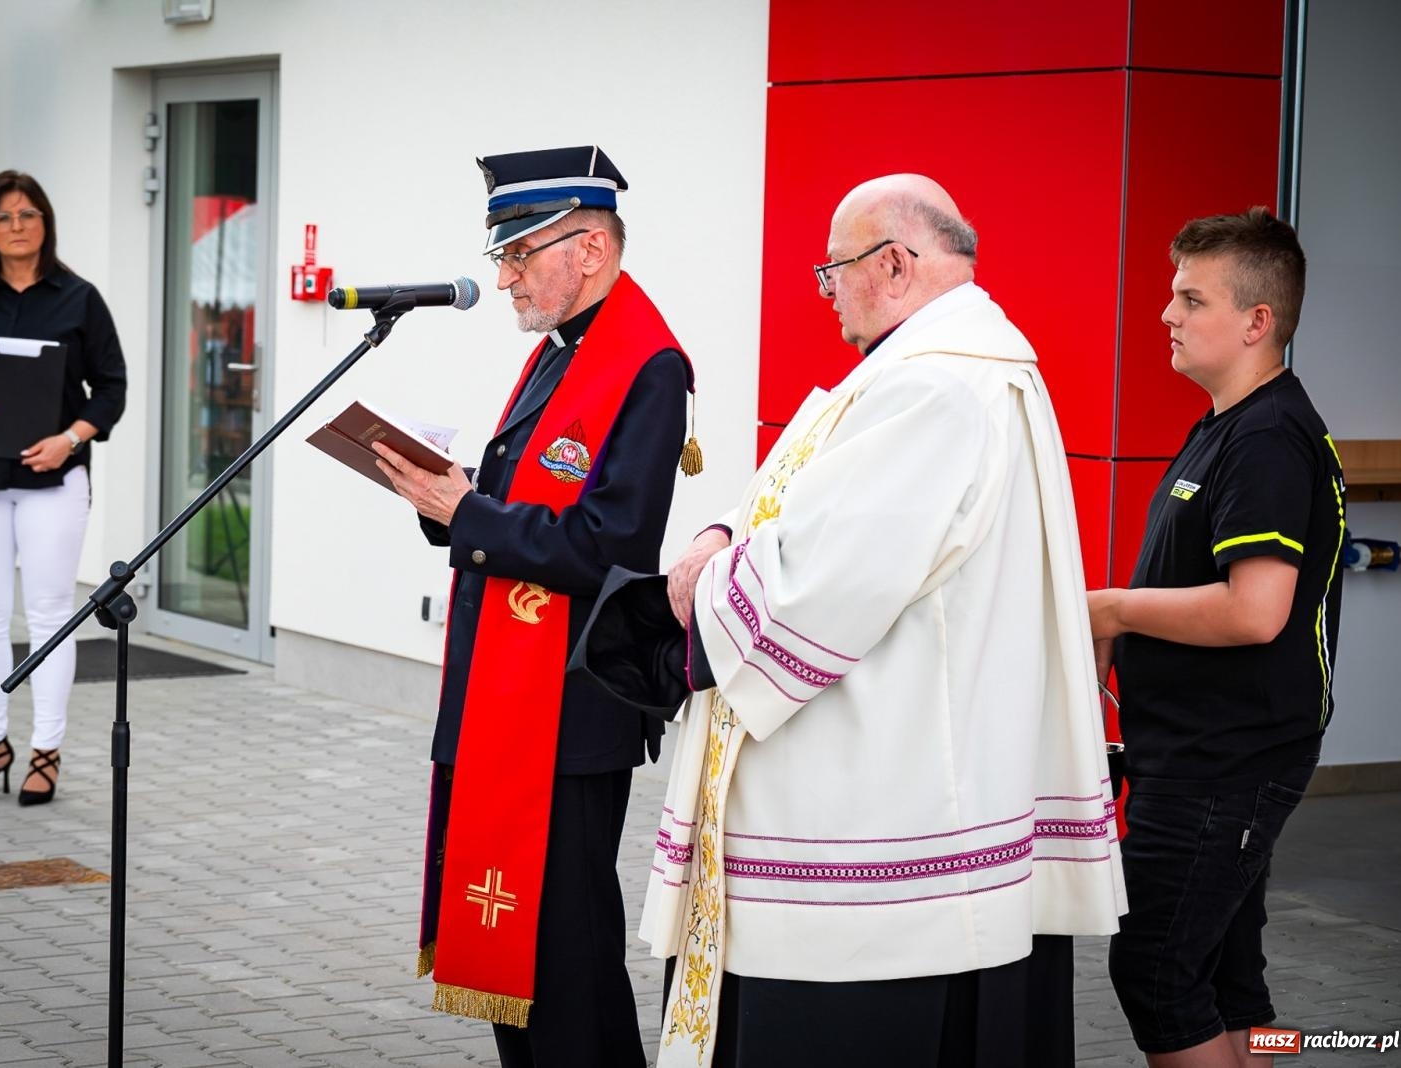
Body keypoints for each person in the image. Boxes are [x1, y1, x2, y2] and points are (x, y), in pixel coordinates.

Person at [640, 174, 1126, 1067]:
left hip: (876, 850)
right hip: (940, 802)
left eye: (832, 273)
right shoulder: (964, 368)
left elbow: (808, 591)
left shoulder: (934, 390)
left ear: (894, 263)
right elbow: (808, 516)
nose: (828, 298)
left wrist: (702, 587)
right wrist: (730, 531)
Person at [372, 145, 695, 1067]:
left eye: (521, 254)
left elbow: (607, 547)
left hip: (572, 702)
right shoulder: (564, 351)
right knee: (523, 974)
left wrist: (467, 513)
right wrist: (453, 501)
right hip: (514, 696)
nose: (505, 276)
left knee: (569, 964)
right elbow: (528, 508)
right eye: (502, 256)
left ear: (590, 249)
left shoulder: (646, 365)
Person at [1088, 209, 1342, 1068]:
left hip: (1225, 762)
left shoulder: (1268, 437)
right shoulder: (1229, 425)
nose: (1168, 314)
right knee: (1230, 977)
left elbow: (1255, 610)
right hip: (1201, 754)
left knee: (1156, 969)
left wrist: (1118, 611)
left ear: (1256, 321)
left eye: (1192, 298)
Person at [0, 170, 127, 807]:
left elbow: (112, 388)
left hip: (52, 482)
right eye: (3, 217)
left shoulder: (79, 299)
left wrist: (72, 437)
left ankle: (45, 751)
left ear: (45, 223)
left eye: (27, 215)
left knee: (48, 617)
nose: (16, 227)